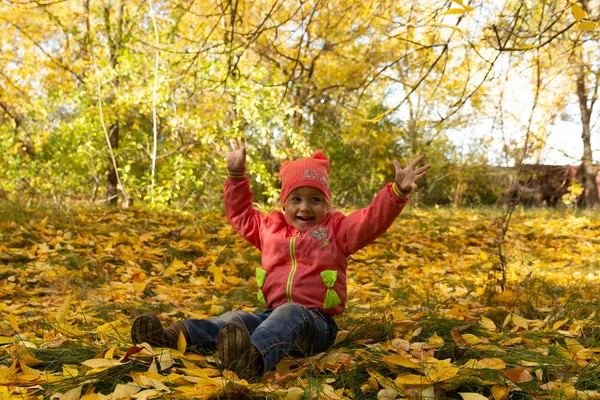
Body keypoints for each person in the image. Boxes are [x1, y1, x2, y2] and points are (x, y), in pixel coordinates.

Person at [131, 137, 430, 381]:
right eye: (296, 199)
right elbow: (241, 215)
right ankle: (173, 336)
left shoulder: (337, 230)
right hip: (270, 314)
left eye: (315, 199)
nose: (305, 207)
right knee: (236, 318)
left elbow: (370, 221)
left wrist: (397, 192)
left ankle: (252, 360)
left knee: (290, 314)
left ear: (327, 204)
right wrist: (236, 176)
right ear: (283, 203)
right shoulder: (270, 227)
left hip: (316, 324)